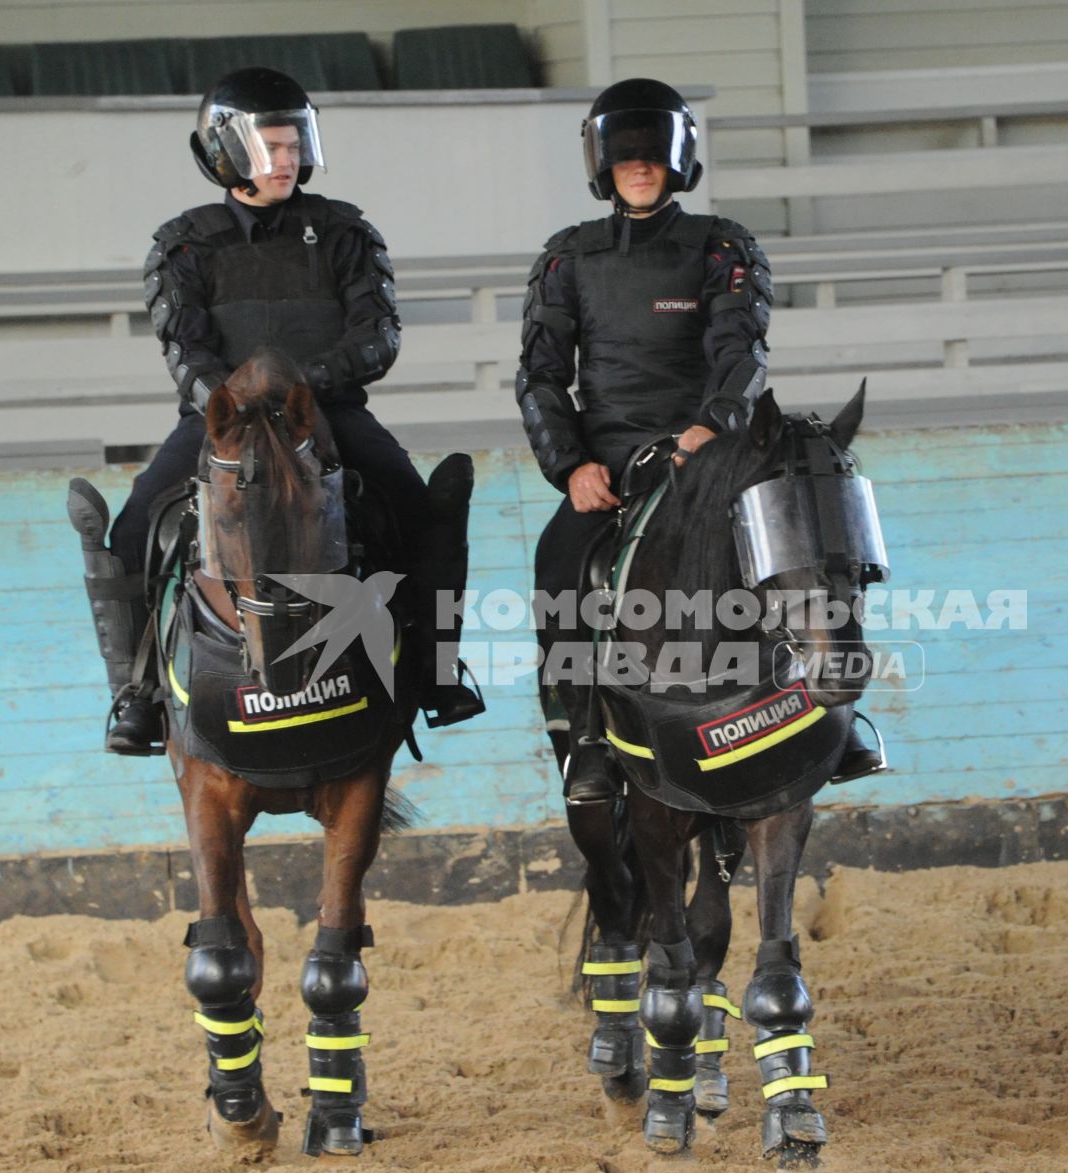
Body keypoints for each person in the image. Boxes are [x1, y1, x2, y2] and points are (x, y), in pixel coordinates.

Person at [81, 66, 483, 755]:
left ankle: (438, 675)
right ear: (227, 152)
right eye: (273, 145)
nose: (289, 159)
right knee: (133, 531)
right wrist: (232, 404)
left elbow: (379, 336)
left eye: (296, 144)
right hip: (222, 425)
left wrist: (305, 386)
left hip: (327, 415)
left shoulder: (346, 232)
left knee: (425, 516)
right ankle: (137, 695)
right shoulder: (183, 244)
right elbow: (185, 349)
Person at [516, 78, 882, 805]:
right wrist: (570, 467)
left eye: (653, 155)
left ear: (677, 161)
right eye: (626, 157)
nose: (641, 167)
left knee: (816, 536)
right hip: (612, 458)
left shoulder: (722, 244)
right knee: (560, 567)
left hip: (718, 446)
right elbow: (541, 376)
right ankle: (587, 733)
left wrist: (710, 425)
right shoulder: (567, 258)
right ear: (604, 166)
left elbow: (741, 351)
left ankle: (839, 717)